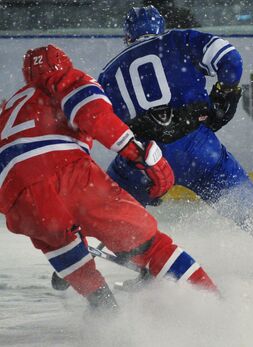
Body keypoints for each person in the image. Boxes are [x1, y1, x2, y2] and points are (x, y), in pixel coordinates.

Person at [0, 44, 217, 310]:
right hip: (66, 172)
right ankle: (215, 304)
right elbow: (94, 114)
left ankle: (107, 318)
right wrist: (136, 152)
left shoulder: (7, 108)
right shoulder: (60, 79)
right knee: (153, 246)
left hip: (17, 198)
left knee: (67, 254)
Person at [98, 5, 253, 251]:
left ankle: (101, 250)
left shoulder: (107, 74)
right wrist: (224, 91)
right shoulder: (179, 40)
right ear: (159, 28)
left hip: (144, 160)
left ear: (127, 36)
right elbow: (231, 59)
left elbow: (99, 124)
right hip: (197, 147)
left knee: (106, 211)